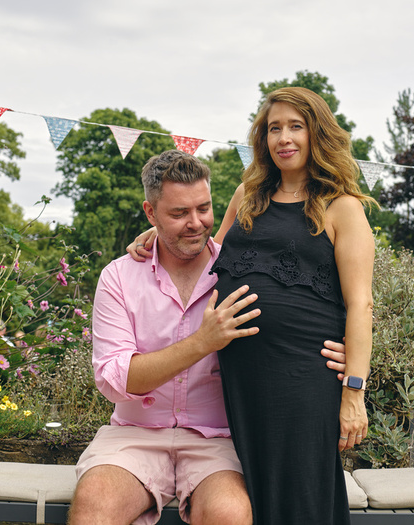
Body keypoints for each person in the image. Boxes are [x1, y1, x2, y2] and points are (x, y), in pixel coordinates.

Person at [130, 87, 376, 525]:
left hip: (303, 377)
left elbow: (361, 304)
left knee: (299, 494)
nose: (284, 137)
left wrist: (353, 391)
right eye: (273, 128)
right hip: (242, 381)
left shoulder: (342, 208)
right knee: (253, 495)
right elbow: (210, 251)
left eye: (295, 126)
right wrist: (157, 237)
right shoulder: (248, 195)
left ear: (316, 133)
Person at [71, 149, 349, 525]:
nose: (196, 223)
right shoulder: (119, 277)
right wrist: (202, 342)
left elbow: (300, 312)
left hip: (216, 441)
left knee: (231, 514)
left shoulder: (236, 271)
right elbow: (114, 380)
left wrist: (340, 360)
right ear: (150, 213)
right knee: (93, 507)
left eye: (203, 208)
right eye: (178, 213)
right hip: (134, 435)